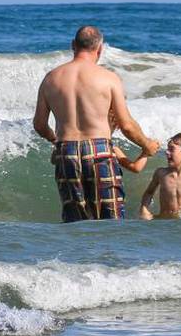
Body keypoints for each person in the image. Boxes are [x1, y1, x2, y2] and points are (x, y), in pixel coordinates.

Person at [33, 25, 160, 222]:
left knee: (74, 221)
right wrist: (147, 145)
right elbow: (125, 124)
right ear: (99, 49)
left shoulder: (51, 78)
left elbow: (40, 125)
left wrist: (55, 141)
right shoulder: (108, 78)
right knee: (111, 220)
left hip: (66, 150)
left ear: (73, 45)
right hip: (99, 149)